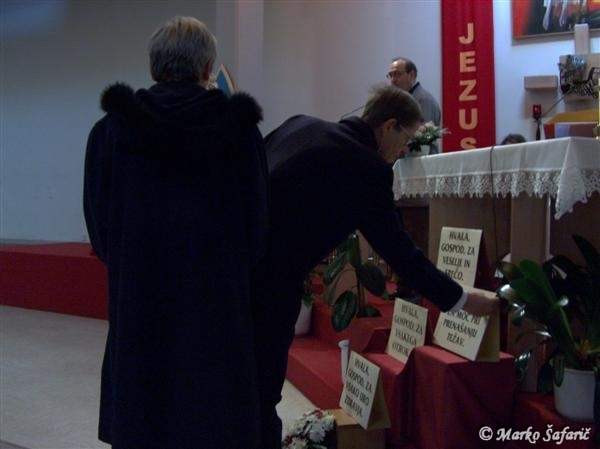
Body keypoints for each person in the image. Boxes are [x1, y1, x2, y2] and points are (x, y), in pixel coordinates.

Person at [250, 84, 499, 449]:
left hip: (230, 267)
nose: (404, 150)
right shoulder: (367, 167)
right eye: (406, 139)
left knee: (237, 380)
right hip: (271, 282)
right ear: (389, 126)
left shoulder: (301, 124)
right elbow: (399, 251)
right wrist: (461, 299)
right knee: (261, 389)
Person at [83, 16, 268, 449]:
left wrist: (130, 260)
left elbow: (99, 225)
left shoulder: (111, 131)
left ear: (153, 67)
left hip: (140, 295)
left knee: (143, 404)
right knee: (213, 408)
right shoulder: (238, 130)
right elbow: (257, 226)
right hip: (215, 299)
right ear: (207, 68)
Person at [387, 56, 442, 154]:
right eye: (390, 75)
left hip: (421, 159)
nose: (393, 80)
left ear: (411, 75)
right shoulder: (402, 101)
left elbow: (424, 138)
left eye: (397, 74)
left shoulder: (423, 100)